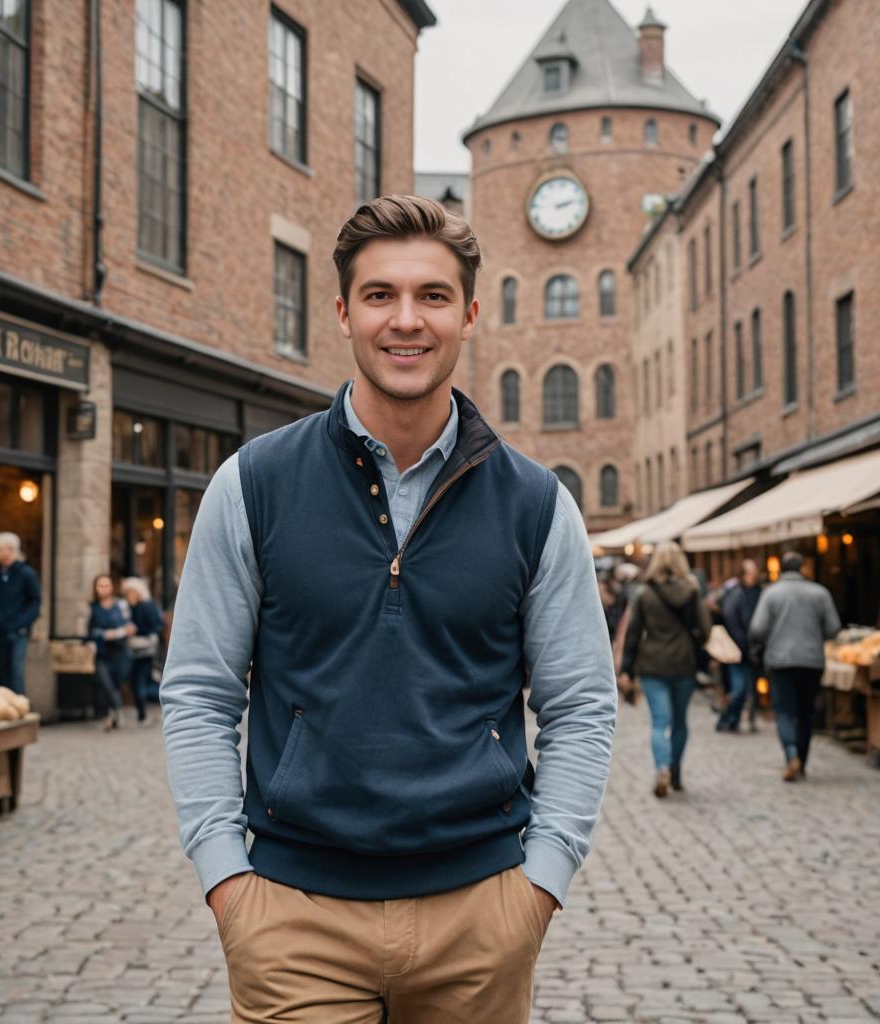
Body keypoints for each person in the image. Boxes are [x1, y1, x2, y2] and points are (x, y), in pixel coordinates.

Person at [161, 194, 617, 1024]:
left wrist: (539, 887)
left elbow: (582, 705)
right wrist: (228, 883)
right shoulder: (253, 484)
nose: (406, 320)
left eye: (432, 296)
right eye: (380, 295)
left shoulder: (536, 504)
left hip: (481, 920)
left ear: (469, 314)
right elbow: (198, 692)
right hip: (294, 918)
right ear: (342, 311)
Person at [620, 541, 711, 798]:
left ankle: (661, 769)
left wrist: (627, 668)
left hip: (653, 663)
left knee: (660, 722)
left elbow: (634, 633)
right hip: (683, 662)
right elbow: (704, 631)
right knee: (680, 721)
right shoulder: (692, 592)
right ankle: (676, 770)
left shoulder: (644, 593)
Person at [749, 551, 841, 781]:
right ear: (802, 569)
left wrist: (772, 638)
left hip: (780, 661)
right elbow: (833, 628)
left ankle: (791, 755)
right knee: (805, 712)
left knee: (784, 711)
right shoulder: (819, 593)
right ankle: (802, 759)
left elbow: (757, 629)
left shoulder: (771, 593)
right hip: (811, 660)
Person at [0, 532, 41, 695]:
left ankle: (19, 705)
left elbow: (35, 601)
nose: (2, 553)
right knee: (1, 671)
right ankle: (6, 705)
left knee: (16, 670)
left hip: (18, 630)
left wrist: (23, 623)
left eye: (5, 549)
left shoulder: (26, 573)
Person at [717, 558, 763, 733]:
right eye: (750, 571)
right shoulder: (736, 593)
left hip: (754, 649)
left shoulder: (760, 592)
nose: (753, 575)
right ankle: (728, 718)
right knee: (739, 689)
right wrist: (741, 641)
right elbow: (731, 618)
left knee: (751, 688)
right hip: (737, 649)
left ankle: (744, 719)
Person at [86, 574, 132, 731]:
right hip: (102, 653)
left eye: (106, 585)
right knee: (106, 684)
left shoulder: (121, 605)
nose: (103, 589)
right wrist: (103, 635)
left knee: (116, 685)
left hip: (120, 651)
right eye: (100, 586)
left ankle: (113, 716)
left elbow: (129, 626)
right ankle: (115, 712)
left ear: (112, 587)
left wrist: (120, 632)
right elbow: (90, 632)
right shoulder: (92, 608)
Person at [122, 576, 165, 726]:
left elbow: (156, 626)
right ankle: (142, 714)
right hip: (132, 649)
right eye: (127, 593)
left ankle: (143, 715)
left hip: (146, 650)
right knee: (136, 681)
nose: (129, 596)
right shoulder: (127, 608)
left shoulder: (147, 606)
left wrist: (138, 630)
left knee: (141, 681)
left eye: (131, 593)